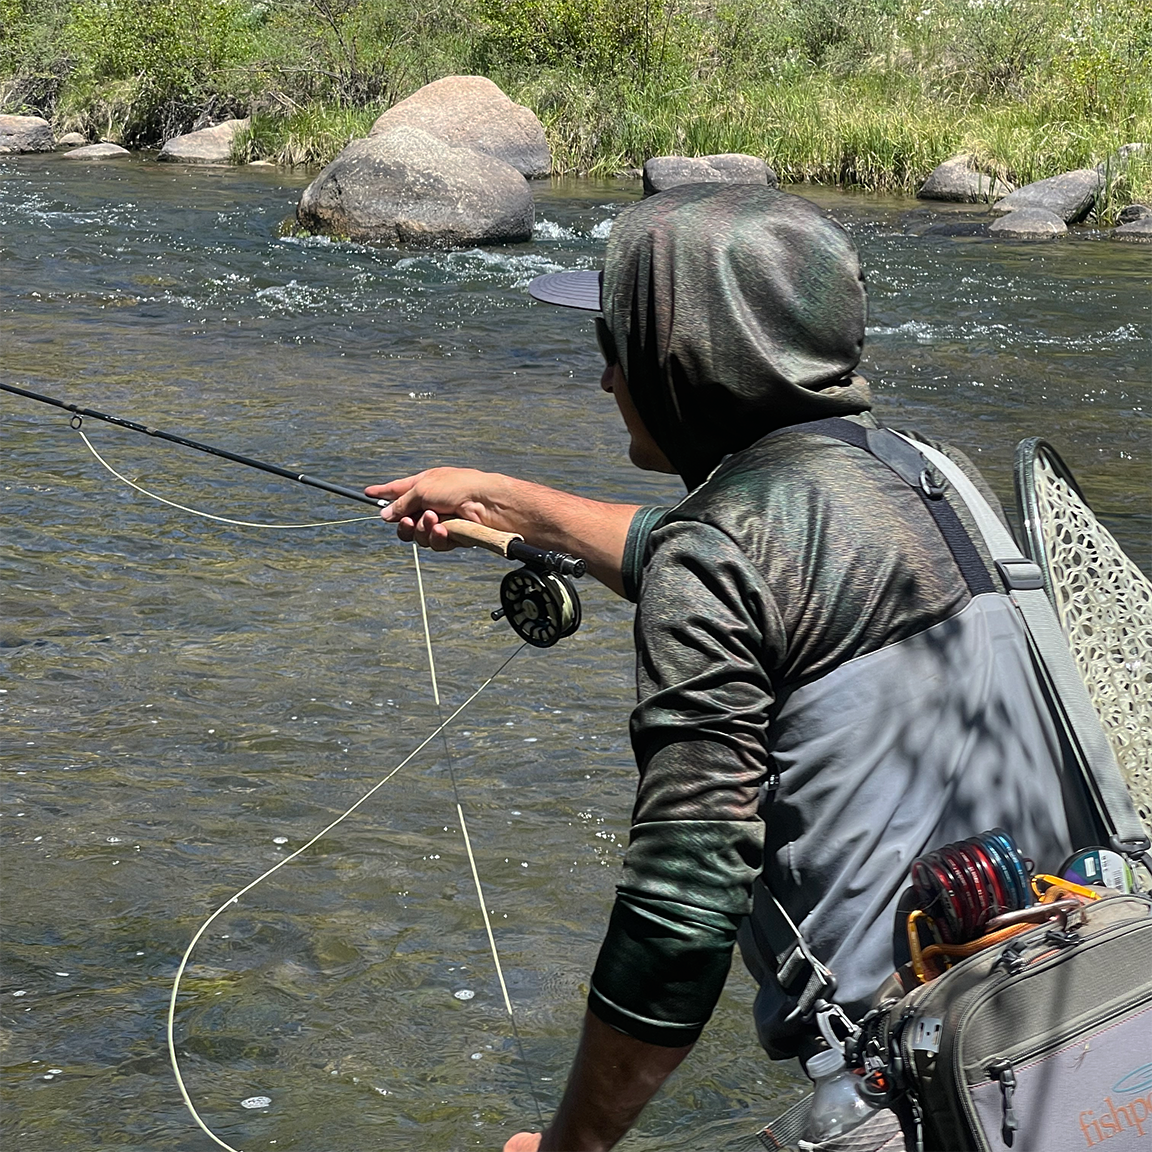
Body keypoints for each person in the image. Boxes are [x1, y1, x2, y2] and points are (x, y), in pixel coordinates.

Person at [365, 184, 1078, 1152]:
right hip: (1082, 1013)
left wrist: (572, 1145)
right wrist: (504, 503)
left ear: (684, 358)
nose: (605, 379)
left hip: (926, 1096)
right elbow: (760, 569)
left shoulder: (719, 558)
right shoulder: (930, 473)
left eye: (616, 346)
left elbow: (682, 906)